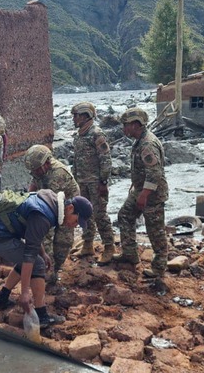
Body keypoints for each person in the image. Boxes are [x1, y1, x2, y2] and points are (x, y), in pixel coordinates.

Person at [0, 189, 92, 328]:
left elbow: (32, 232)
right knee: (37, 264)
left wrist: (43, 253)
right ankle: (42, 315)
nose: (74, 226)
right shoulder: (44, 216)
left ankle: (1, 299)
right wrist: (25, 293)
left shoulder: (51, 200)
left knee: (32, 260)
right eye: (76, 221)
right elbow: (29, 253)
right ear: (70, 208)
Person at [115, 107, 169, 280]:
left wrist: (144, 196)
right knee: (124, 215)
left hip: (152, 194)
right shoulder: (139, 141)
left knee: (155, 231)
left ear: (136, 124)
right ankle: (130, 254)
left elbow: (155, 173)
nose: (124, 129)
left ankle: (159, 269)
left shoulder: (147, 144)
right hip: (140, 190)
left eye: (126, 125)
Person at [24, 144, 80, 285]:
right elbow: (34, 184)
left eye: (36, 169)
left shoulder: (58, 174)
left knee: (63, 241)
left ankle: (53, 271)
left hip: (68, 210)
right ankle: (46, 272)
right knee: (43, 236)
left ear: (46, 163)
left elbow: (52, 204)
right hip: (51, 205)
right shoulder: (39, 170)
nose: (34, 172)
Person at [71, 102, 116, 264]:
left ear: (85, 116)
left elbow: (106, 159)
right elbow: (76, 160)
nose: (74, 119)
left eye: (76, 115)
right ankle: (88, 243)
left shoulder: (97, 134)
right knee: (84, 213)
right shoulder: (79, 135)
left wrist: (103, 181)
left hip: (96, 183)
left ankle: (109, 247)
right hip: (82, 181)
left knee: (100, 214)